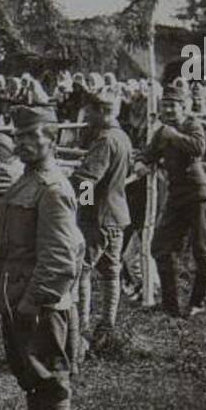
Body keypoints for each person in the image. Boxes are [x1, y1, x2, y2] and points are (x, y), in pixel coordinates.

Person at [0, 104, 83, 410]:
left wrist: (33, 301)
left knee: (50, 377)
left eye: (32, 136)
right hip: (18, 296)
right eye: (19, 136)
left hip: (40, 300)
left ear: (52, 139)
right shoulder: (25, 180)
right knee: (30, 376)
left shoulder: (53, 189)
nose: (23, 142)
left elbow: (60, 258)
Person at [133, 85, 206, 317]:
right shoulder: (161, 131)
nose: (168, 109)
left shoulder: (192, 125)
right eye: (165, 105)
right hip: (176, 196)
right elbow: (148, 153)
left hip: (198, 195)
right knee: (159, 247)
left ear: (183, 106)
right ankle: (170, 307)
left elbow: (198, 148)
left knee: (203, 251)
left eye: (173, 105)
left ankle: (197, 303)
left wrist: (176, 136)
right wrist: (141, 162)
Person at [69, 86, 132, 351]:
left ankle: (81, 330)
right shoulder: (122, 137)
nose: (87, 116)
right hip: (117, 215)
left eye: (91, 111)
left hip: (97, 217)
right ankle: (107, 327)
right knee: (110, 272)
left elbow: (87, 179)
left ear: (103, 112)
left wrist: (78, 207)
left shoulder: (105, 140)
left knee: (82, 271)